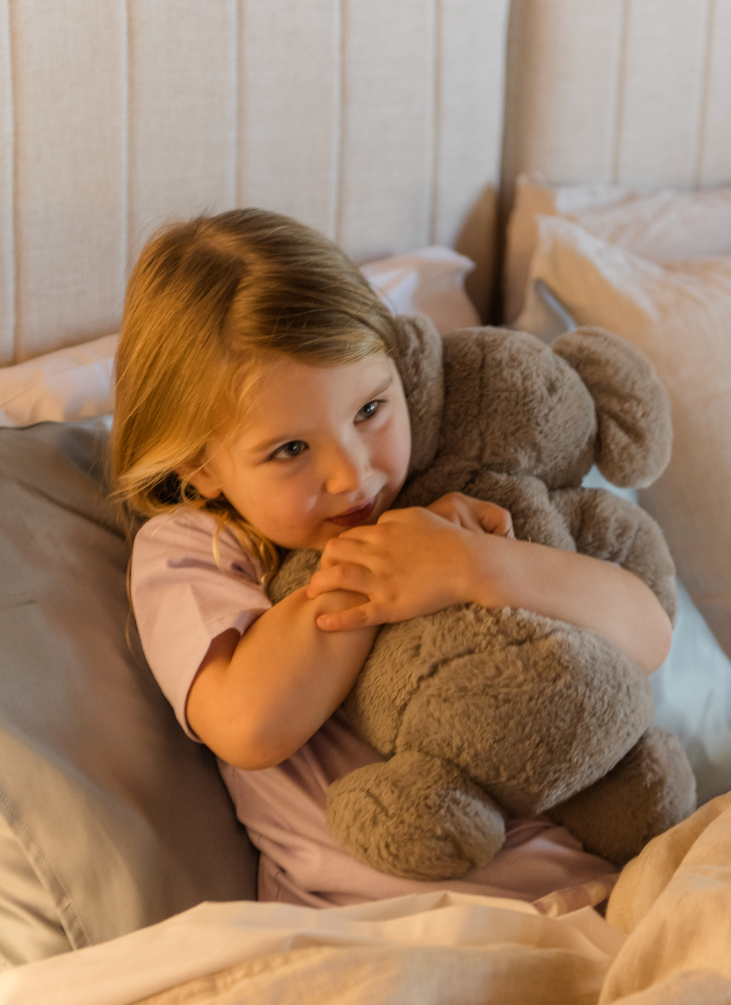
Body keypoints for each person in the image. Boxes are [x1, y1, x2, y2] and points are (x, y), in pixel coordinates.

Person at [111, 208, 672, 910]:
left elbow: (648, 636)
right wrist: (384, 564)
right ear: (200, 468)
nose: (354, 476)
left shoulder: (454, 481)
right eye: (289, 450)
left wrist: (472, 564)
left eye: (371, 410)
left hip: (603, 887)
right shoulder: (198, 545)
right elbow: (248, 722)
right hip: (382, 924)